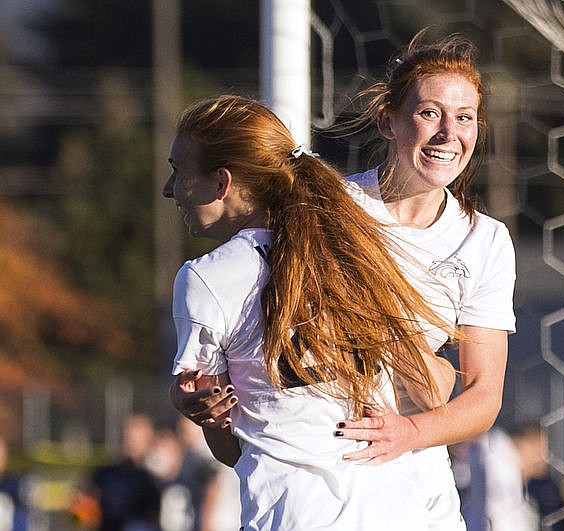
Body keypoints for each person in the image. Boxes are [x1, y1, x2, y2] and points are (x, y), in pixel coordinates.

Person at [171, 29, 516, 528]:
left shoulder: (484, 240)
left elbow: (480, 397)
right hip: (313, 476)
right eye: (429, 113)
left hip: (418, 490)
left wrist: (410, 431)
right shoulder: (331, 208)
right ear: (388, 122)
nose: (449, 134)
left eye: (465, 118)